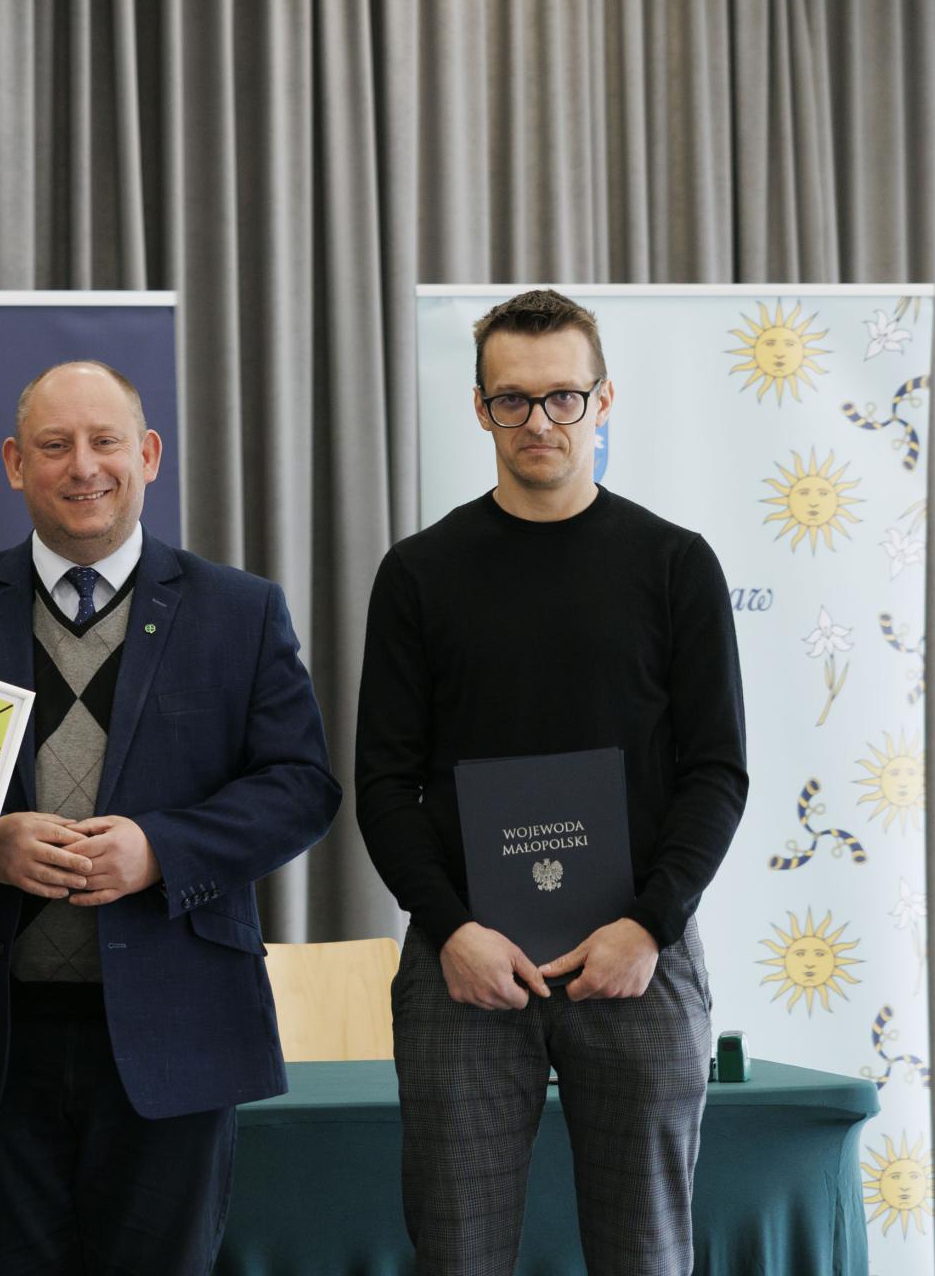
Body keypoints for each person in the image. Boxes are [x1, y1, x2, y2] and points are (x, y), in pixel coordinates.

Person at [0, 360, 340, 1275]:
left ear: (148, 455)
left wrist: (162, 848)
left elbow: (302, 787)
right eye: (55, 445)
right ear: (13, 463)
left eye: (106, 441)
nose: (83, 466)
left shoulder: (239, 611)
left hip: (179, 1028)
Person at [354, 289, 747, 1275]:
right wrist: (451, 928)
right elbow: (384, 782)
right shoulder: (418, 574)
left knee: (647, 1253)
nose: (540, 421)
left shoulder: (676, 565)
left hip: (639, 957)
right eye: (513, 400)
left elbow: (717, 772)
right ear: (479, 408)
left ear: (602, 400)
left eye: (564, 396)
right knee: (459, 1254)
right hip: (464, 964)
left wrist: (649, 924)